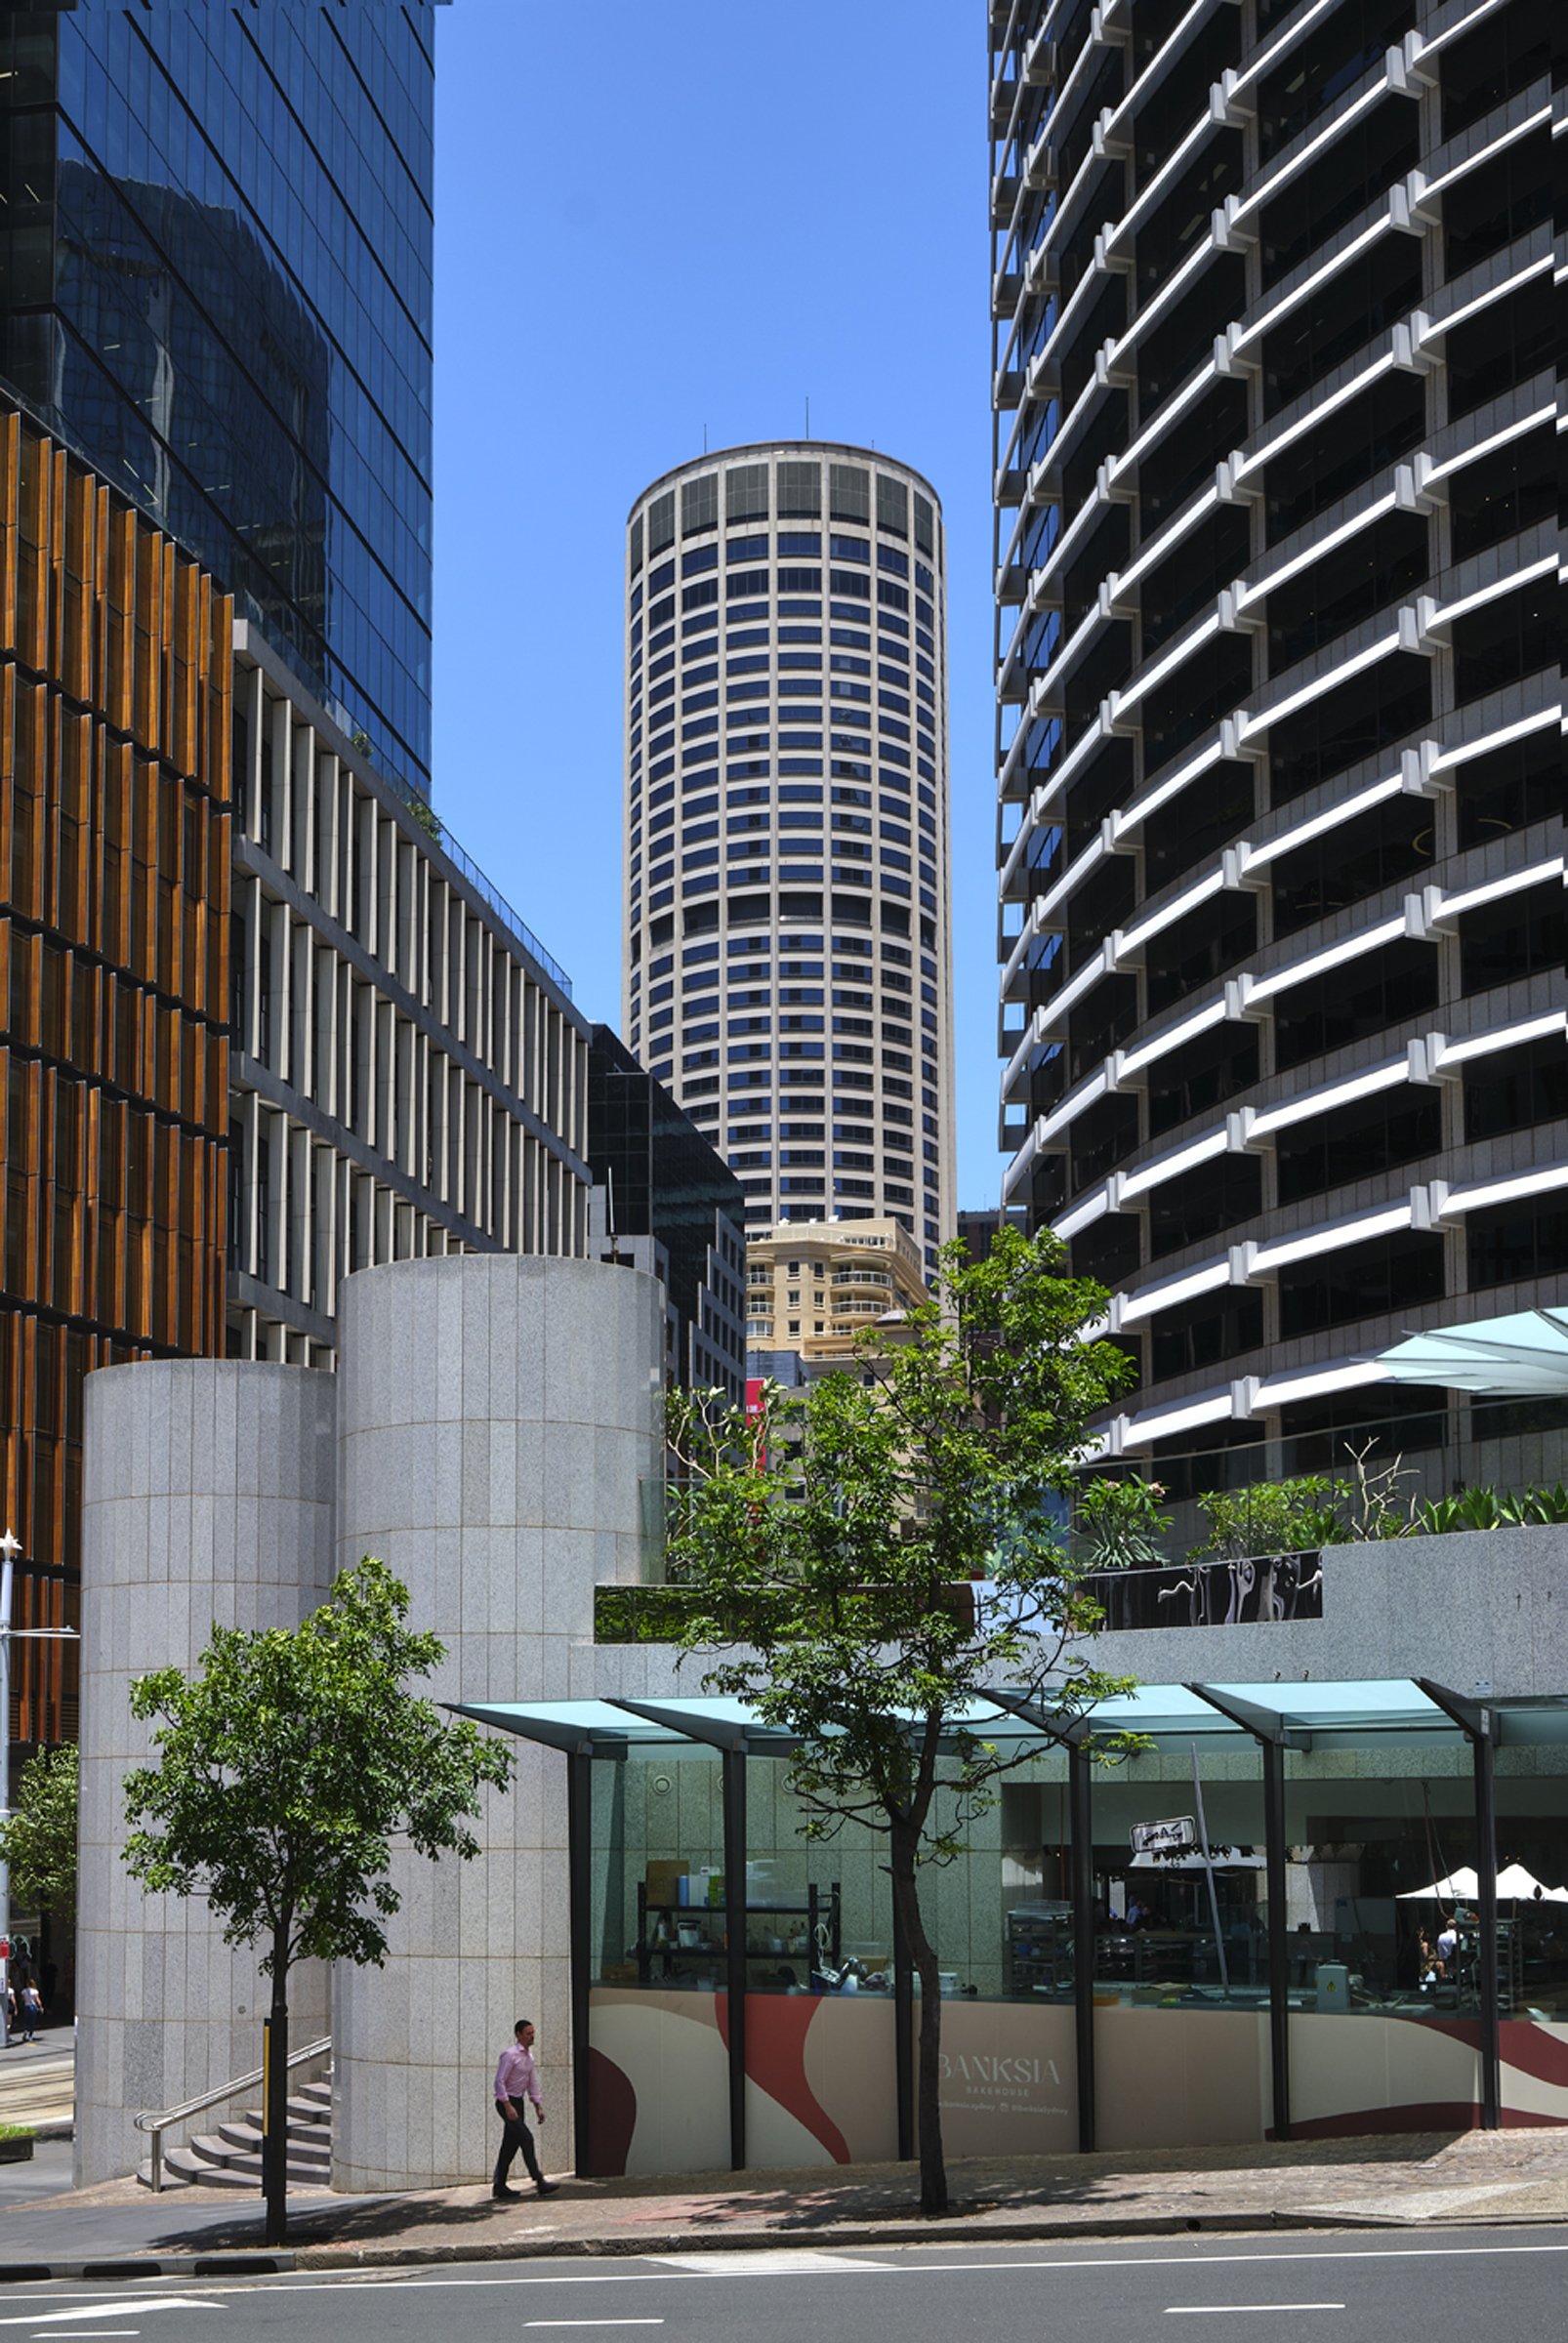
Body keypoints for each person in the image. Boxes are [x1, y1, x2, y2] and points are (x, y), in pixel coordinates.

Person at [492, 2018, 557, 2200]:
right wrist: (507, 2106)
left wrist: (538, 2106)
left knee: (510, 2145)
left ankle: (499, 2185)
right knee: (526, 2138)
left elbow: (532, 2083)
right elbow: (499, 2081)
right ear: (518, 2034)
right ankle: (539, 2181)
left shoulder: (529, 2057)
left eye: (533, 2033)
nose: (532, 2036)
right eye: (528, 2033)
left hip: (518, 2102)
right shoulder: (510, 2055)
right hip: (506, 2102)